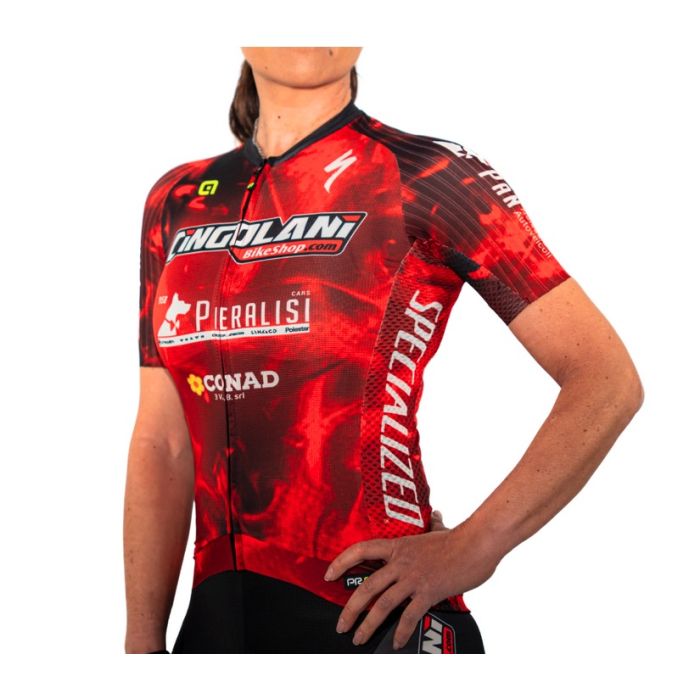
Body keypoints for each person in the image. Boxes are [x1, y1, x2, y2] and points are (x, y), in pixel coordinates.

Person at [123, 47, 644, 654]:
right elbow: (162, 441)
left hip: (379, 620)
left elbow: (607, 380)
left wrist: (476, 546)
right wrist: (141, 642)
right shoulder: (178, 199)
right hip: (212, 629)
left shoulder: (427, 176)